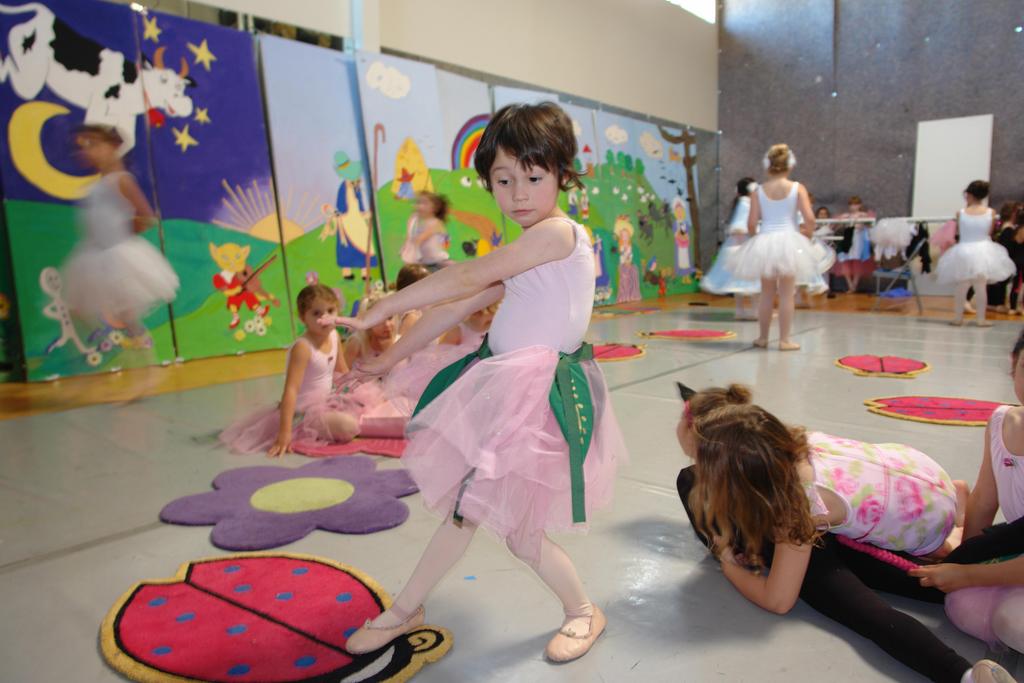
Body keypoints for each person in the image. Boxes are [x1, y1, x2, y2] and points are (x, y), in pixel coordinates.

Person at [327, 102, 626, 662]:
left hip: (537, 401)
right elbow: (456, 306)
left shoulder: (556, 234)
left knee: (511, 529)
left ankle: (582, 611)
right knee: (477, 515)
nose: (518, 194)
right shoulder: (530, 245)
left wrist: (385, 305)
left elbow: (469, 274)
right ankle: (407, 609)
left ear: (561, 174)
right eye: (503, 180)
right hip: (509, 393)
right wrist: (389, 357)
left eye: (533, 178)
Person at [674, 383, 1015, 683]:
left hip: (925, 524)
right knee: (692, 482)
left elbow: (778, 600)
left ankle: (963, 675)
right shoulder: (787, 441)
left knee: (858, 606)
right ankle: (957, 514)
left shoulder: (796, 508)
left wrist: (727, 561)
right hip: (922, 474)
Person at [910, 328, 1024, 653]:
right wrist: (965, 560)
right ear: (1013, 363)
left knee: (1012, 623)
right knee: (963, 605)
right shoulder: (1002, 422)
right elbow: (986, 500)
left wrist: (970, 575)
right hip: (1016, 543)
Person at [63, 125, 179, 357]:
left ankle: (140, 344)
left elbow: (146, 216)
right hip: (94, 254)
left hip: (117, 252)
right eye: (83, 147)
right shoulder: (97, 184)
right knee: (82, 305)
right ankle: (118, 341)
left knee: (124, 304)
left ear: (113, 146)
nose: (88, 151)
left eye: (93, 144)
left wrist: (122, 237)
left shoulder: (121, 180)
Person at [219, 284, 359, 455]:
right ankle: (303, 428)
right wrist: (284, 433)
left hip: (327, 401)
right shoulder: (303, 347)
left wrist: (356, 394)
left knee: (364, 410)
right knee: (349, 427)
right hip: (303, 412)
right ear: (303, 318)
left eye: (330, 311)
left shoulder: (334, 335)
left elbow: (342, 371)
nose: (325, 318)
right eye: (316, 313)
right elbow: (291, 390)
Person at [729, 144, 818, 350]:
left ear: (768, 165)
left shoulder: (758, 191)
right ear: (790, 164)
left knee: (766, 293)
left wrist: (757, 240)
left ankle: (762, 337)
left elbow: (752, 223)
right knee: (787, 294)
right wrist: (807, 235)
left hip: (766, 240)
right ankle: (785, 340)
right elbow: (810, 219)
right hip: (790, 241)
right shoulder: (797, 188)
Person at [936, 181, 1015, 326]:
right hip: (984, 250)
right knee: (980, 286)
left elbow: (959, 232)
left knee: (962, 285)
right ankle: (980, 319)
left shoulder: (960, 213)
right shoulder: (991, 212)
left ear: (970, 194)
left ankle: (958, 318)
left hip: (964, 250)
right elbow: (989, 232)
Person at [700, 177, 760, 320]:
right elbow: (738, 228)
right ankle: (754, 310)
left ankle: (742, 310)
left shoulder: (742, 203)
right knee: (752, 281)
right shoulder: (746, 204)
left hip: (738, 245)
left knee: (739, 282)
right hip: (743, 245)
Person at [830, 195, 876, 294]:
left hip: (859, 239)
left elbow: (871, 225)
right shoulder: (846, 215)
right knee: (845, 260)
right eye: (851, 204)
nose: (853, 206)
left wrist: (863, 225)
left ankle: (854, 284)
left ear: (860, 205)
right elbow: (834, 224)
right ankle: (850, 284)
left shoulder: (864, 215)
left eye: (856, 204)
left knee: (858, 260)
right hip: (848, 237)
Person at [401, 192, 453, 270]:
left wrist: (411, 224)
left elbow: (417, 240)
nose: (419, 206)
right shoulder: (420, 224)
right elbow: (411, 240)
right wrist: (411, 223)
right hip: (426, 263)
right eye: (417, 202)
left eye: (424, 203)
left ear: (434, 208)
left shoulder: (435, 222)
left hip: (439, 263)